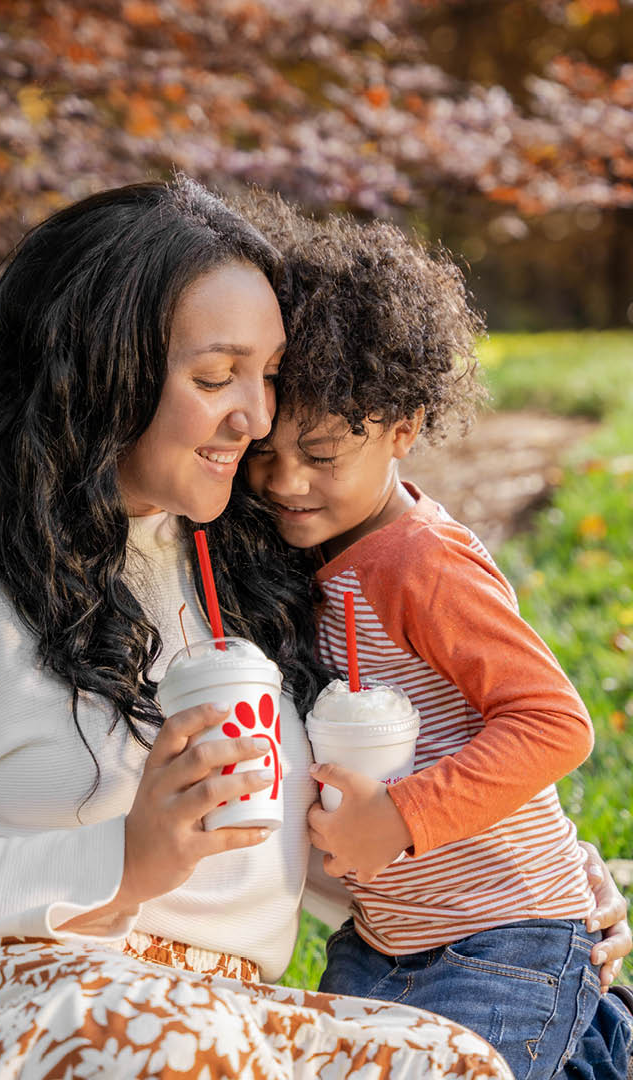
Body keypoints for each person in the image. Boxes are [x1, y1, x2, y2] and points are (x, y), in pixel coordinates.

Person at [0, 177, 521, 1079]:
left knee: (449, 1059)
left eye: (270, 376)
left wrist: (520, 893)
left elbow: (310, 839)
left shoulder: (243, 562)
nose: (257, 418)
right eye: (215, 377)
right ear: (100, 372)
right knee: (178, 1047)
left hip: (212, 1011)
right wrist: (118, 863)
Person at [243, 206, 633, 1079]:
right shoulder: (316, 553)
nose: (287, 483)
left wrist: (402, 819)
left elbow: (555, 723)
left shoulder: (419, 560)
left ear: (404, 426)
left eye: (322, 453)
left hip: (505, 936)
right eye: (266, 456)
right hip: (384, 941)